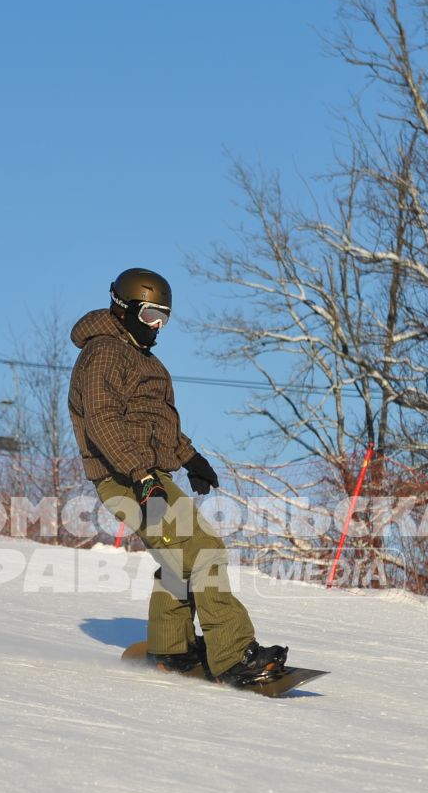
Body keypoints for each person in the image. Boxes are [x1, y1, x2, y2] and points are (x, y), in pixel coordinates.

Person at [67, 266, 288, 685]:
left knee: (179, 558)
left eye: (163, 318)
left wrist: (189, 457)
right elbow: (103, 422)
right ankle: (233, 653)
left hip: (146, 474)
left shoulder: (137, 356)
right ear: (125, 309)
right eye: (151, 316)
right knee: (203, 550)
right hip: (125, 477)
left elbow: (155, 423)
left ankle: (173, 647)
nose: (157, 327)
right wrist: (142, 477)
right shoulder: (103, 355)